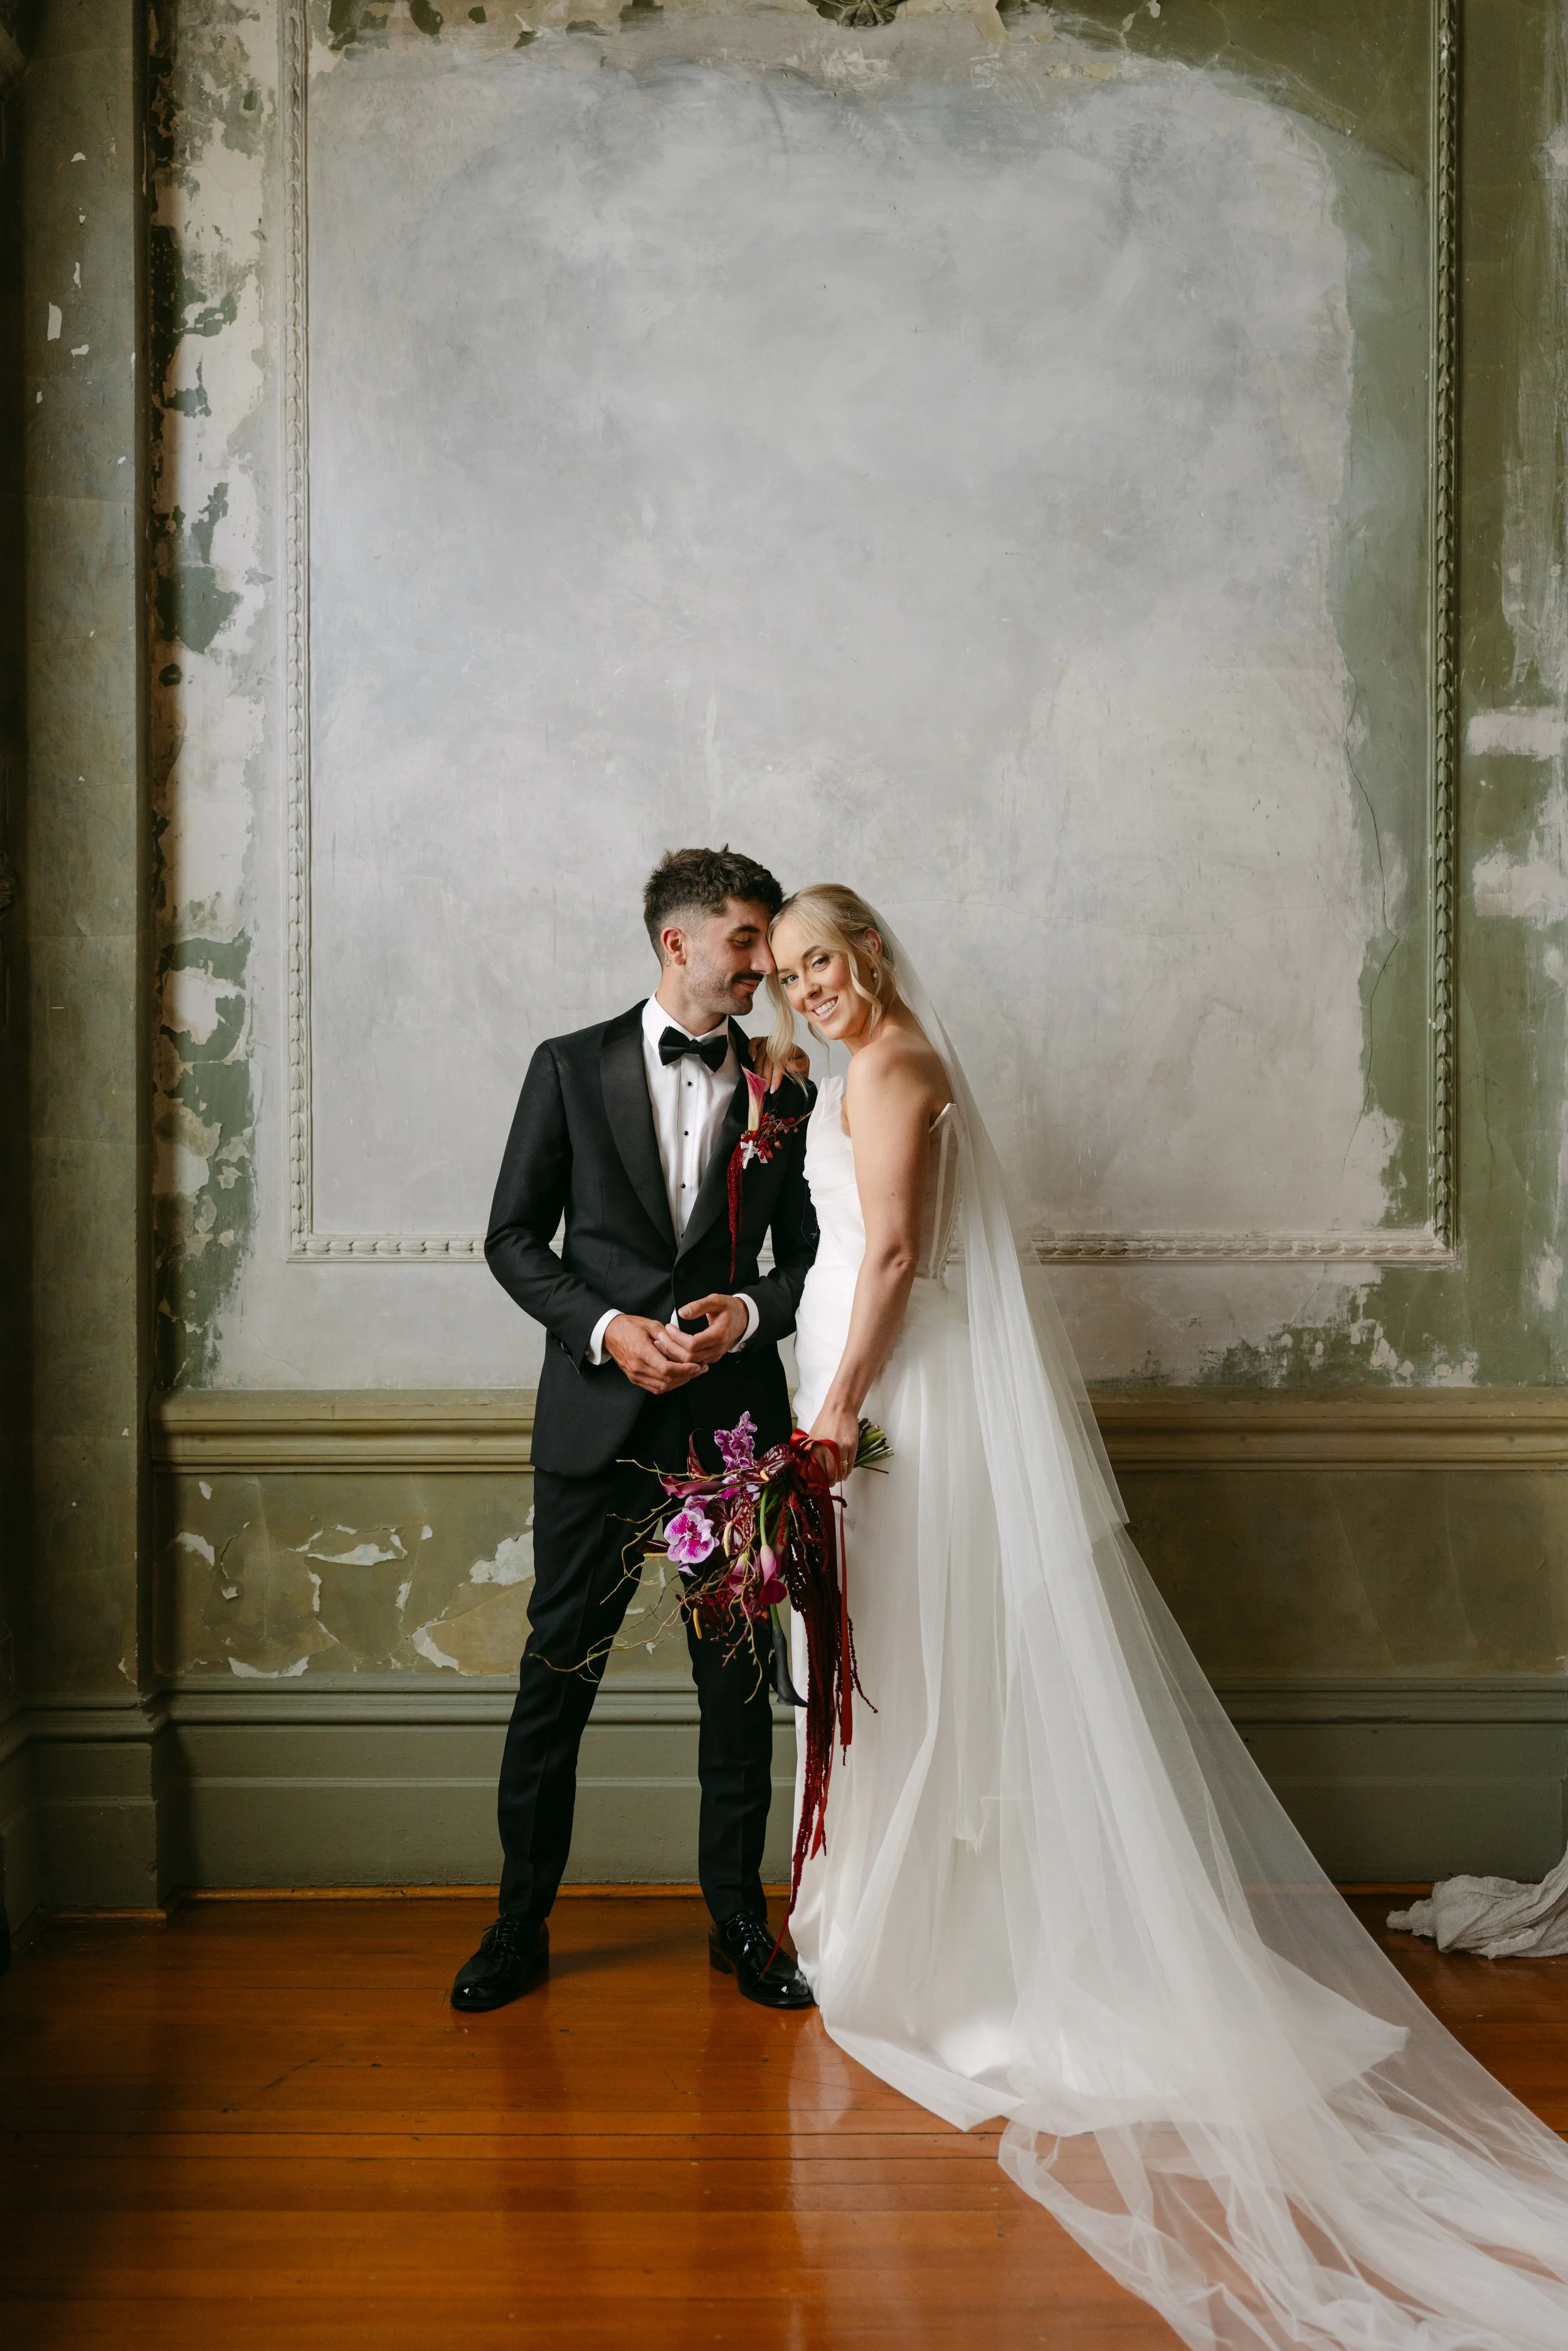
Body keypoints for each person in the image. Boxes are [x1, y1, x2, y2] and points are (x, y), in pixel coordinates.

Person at [768, 881, 1568, 2351]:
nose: (807, 986)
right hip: (865, 1378)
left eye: (822, 959)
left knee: (926, 1671)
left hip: (892, 1397)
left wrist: (831, 1412)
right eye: (785, 972)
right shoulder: (840, 1068)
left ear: (871, 948)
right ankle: (917, 1919)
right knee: (888, 1664)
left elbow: (887, 1255)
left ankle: (955, 1948)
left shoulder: (895, 1067)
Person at [450, 849, 818, 2015]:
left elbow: (810, 1255)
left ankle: (741, 1927)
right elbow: (513, 1239)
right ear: (680, 942)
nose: (766, 964)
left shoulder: (784, 1088)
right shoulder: (567, 1068)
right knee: (555, 1680)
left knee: (734, 1691)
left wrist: (750, 1314)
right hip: (596, 1431)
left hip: (730, 1436)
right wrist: (607, 1327)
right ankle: (519, 1927)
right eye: (749, 940)